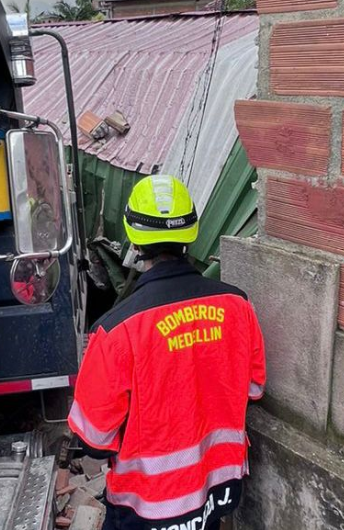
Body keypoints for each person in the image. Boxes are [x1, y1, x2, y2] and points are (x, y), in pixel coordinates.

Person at [68, 175, 267, 530]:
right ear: (191, 232)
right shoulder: (238, 305)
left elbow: (94, 440)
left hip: (147, 506)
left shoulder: (116, 330)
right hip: (216, 492)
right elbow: (252, 390)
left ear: (133, 237)